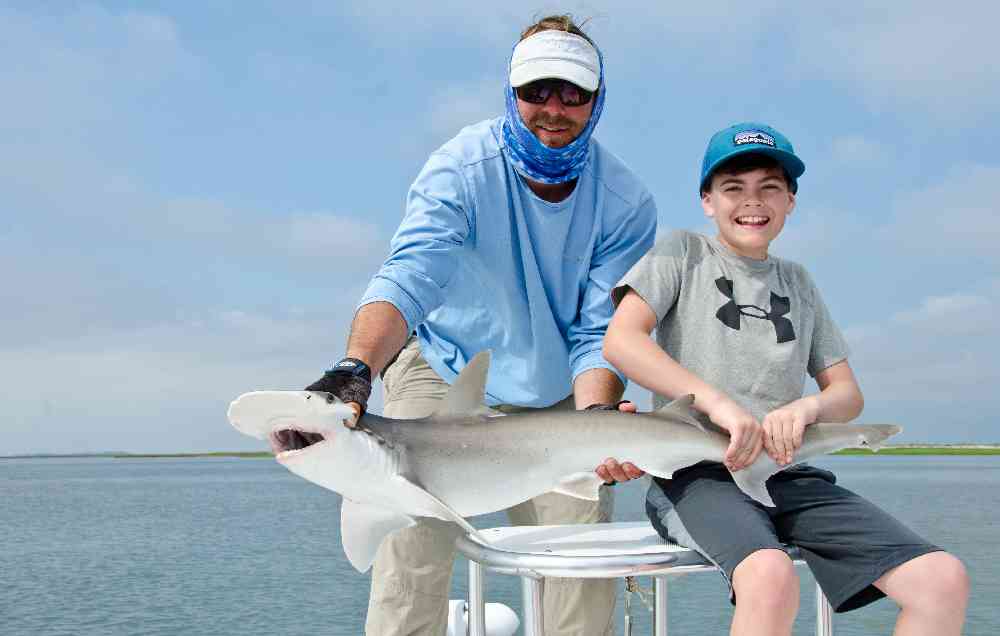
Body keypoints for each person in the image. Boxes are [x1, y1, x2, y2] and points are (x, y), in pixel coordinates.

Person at [285, 15, 656, 636]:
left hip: (562, 385)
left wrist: (594, 423)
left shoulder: (626, 202)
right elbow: (411, 276)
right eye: (536, 91)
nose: (554, 109)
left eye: (573, 92)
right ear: (510, 94)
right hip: (443, 368)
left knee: (581, 566)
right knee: (410, 556)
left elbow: (600, 331)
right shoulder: (461, 166)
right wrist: (355, 368)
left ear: (598, 100)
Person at [603, 122, 969, 635]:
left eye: (769, 187)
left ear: (790, 201)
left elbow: (847, 395)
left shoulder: (798, 282)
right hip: (693, 474)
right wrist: (716, 403)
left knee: (942, 579)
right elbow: (622, 340)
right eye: (733, 188)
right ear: (707, 200)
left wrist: (807, 409)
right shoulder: (681, 252)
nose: (752, 202)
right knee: (770, 575)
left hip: (785, 473)